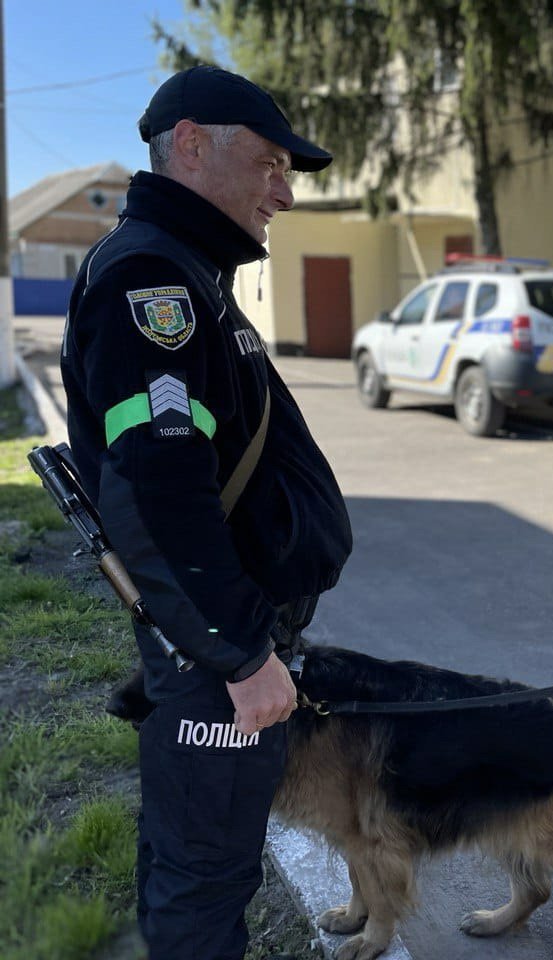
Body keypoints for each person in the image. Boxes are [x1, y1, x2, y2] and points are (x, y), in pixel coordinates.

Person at [61, 66, 352, 958]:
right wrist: (240, 653)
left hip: (217, 640)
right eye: (269, 164)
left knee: (195, 857)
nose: (284, 192)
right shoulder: (153, 279)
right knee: (205, 876)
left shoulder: (186, 270)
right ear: (190, 146)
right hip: (214, 652)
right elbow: (156, 493)